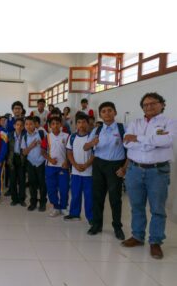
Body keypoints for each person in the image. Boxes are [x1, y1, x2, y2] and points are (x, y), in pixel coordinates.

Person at [121, 92, 177, 259]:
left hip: (157, 171)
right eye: (145, 104)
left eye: (153, 103)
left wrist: (138, 139)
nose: (149, 106)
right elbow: (126, 142)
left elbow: (167, 141)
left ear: (162, 104)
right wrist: (151, 142)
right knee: (136, 206)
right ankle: (138, 236)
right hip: (134, 170)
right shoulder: (135, 122)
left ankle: (155, 241)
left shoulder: (169, 122)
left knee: (157, 208)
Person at [83, 101, 127, 240]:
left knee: (115, 198)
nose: (107, 113)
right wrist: (92, 143)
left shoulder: (122, 128)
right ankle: (97, 225)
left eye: (109, 110)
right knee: (97, 196)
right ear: (100, 115)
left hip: (115, 166)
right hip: (99, 164)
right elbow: (85, 147)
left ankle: (117, 227)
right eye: (103, 111)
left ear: (115, 112)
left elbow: (131, 150)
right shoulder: (97, 130)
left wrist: (124, 168)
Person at [64, 113, 94, 223]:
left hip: (89, 173)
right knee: (75, 193)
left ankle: (91, 217)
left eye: (84, 122)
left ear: (88, 124)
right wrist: (75, 165)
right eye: (79, 122)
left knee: (89, 196)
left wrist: (86, 165)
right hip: (76, 172)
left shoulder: (91, 137)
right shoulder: (72, 137)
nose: (81, 125)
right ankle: (74, 213)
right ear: (76, 124)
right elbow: (69, 152)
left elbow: (95, 154)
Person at [41, 116, 70, 217]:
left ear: (61, 124)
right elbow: (43, 151)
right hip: (50, 167)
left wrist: (67, 162)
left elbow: (70, 151)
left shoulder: (66, 136)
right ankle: (55, 207)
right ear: (50, 126)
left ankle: (64, 207)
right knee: (51, 188)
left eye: (57, 123)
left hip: (63, 167)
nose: (55, 125)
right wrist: (50, 159)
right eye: (53, 124)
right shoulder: (47, 137)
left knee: (64, 188)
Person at [22, 116, 47, 211]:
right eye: (26, 124)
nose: (28, 126)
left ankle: (43, 203)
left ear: (35, 124)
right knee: (32, 184)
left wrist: (42, 144)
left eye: (31, 124)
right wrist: (31, 146)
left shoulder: (41, 133)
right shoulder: (24, 137)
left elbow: (48, 146)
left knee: (42, 184)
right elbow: (24, 153)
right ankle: (33, 202)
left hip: (41, 162)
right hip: (31, 163)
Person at [7, 118, 26, 207]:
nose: (19, 127)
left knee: (22, 180)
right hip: (12, 158)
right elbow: (7, 148)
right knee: (13, 180)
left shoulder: (25, 135)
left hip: (21, 159)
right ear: (14, 126)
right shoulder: (10, 135)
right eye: (17, 125)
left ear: (23, 127)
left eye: (21, 125)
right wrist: (7, 159)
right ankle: (14, 199)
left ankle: (22, 199)